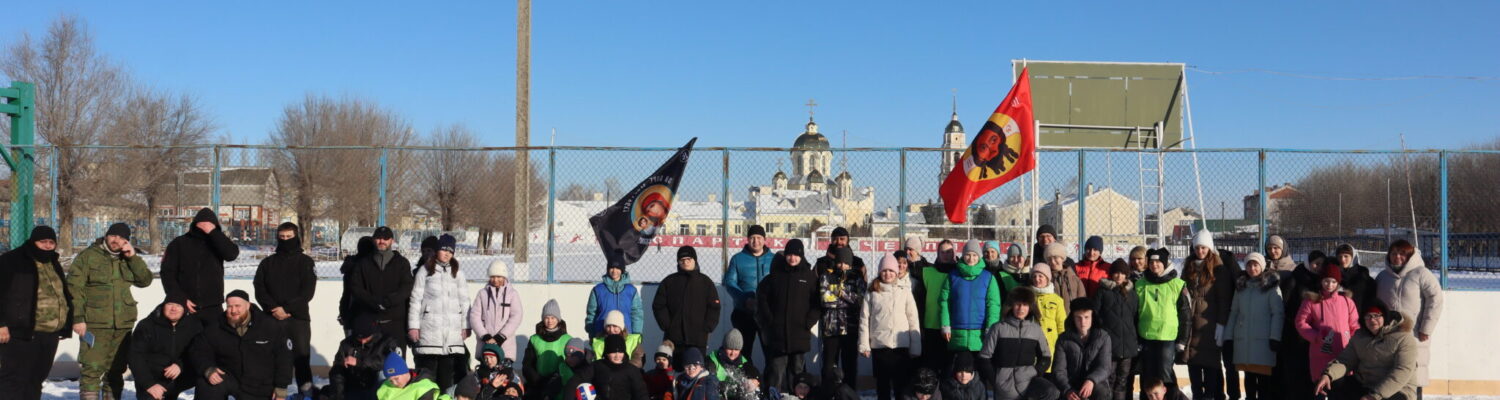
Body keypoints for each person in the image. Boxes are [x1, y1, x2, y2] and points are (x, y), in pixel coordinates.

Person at [67, 222, 153, 400]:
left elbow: (145, 281)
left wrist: (133, 257)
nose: (116, 240)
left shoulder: (127, 258)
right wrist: (77, 317)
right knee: (92, 368)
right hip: (94, 323)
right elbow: (74, 288)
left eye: (122, 238)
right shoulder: (88, 257)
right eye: (113, 236)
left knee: (116, 369)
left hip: (123, 324)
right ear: (106, 236)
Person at [0, 226, 74, 400]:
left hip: (49, 334)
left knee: (35, 380)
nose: (47, 246)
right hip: (21, 333)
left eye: (51, 242)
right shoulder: (11, 260)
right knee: (14, 380)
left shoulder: (52, 262)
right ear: (33, 242)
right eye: (43, 242)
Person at [253, 221, 319, 395]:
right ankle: (270, 394)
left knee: (301, 360)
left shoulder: (305, 262)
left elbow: (307, 292)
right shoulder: (267, 263)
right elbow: (259, 288)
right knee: (270, 359)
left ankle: (306, 394)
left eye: (289, 237)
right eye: (282, 237)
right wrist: (273, 308)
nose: (285, 240)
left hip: (298, 319)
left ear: (296, 236)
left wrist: (287, 309)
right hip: (271, 318)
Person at [192, 290, 293, 400]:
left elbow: (284, 357)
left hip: (260, 385)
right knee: (206, 383)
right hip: (230, 378)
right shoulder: (216, 326)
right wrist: (207, 369)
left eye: (237, 306)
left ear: (248, 306)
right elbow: (198, 350)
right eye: (229, 306)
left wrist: (281, 387)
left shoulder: (269, 326)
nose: (233, 310)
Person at [1374, 239, 1442, 397]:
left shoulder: (1421, 273)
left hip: (1414, 335)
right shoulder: (1382, 277)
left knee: (1413, 377)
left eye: (1402, 253)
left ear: (1410, 255)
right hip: (1388, 337)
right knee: (1389, 380)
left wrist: (1426, 328)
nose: (1397, 256)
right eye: (1393, 253)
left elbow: (1436, 300)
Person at [1314, 303, 1420, 400]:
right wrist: (1328, 375)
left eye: (1377, 315)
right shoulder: (1360, 337)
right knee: (1332, 383)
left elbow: (1403, 370)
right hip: (1366, 384)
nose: (1372, 320)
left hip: (1397, 389)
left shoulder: (1404, 338)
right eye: (1368, 316)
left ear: (1385, 317)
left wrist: (1375, 396)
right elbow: (1345, 361)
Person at [409, 234, 473, 391]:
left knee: (447, 380)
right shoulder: (424, 271)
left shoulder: (458, 274)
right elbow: (415, 300)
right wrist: (413, 326)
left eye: (450, 251)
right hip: (429, 333)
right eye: (443, 249)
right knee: (427, 379)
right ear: (437, 250)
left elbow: (465, 302)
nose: (447, 254)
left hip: (451, 336)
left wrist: (466, 325)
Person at [755, 239, 820, 392]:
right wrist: (770, 320)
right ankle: (773, 396)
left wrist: (808, 322)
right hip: (778, 335)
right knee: (776, 371)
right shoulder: (775, 276)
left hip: (799, 334)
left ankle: (796, 396)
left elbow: (817, 303)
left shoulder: (809, 277)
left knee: (797, 371)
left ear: (802, 256)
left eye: (796, 255)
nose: (792, 258)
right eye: (789, 254)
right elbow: (762, 298)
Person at [1180, 229, 1237, 400]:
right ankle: (1197, 395)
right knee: (1193, 363)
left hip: (1210, 324)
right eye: (1197, 248)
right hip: (1192, 325)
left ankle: (1211, 395)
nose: (1200, 251)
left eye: (1204, 247)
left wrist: (1221, 324)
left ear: (1210, 248)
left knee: (1211, 364)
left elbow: (1223, 298)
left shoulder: (1218, 269)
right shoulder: (1188, 267)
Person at [939, 239, 1001, 392]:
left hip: (980, 336)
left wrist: (990, 328)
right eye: (968, 255)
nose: (971, 258)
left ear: (979, 257)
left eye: (974, 255)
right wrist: (945, 325)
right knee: (955, 375)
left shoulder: (988, 277)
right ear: (963, 256)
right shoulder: (953, 276)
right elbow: (944, 301)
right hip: (956, 334)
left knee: (979, 376)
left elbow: (993, 305)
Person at [860, 254, 922, 400]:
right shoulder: (872, 292)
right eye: (884, 271)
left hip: (901, 346)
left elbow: (913, 320)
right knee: (883, 385)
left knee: (901, 384)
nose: (888, 274)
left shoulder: (905, 291)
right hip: (880, 346)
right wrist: (864, 344)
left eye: (891, 271)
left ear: (896, 272)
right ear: (880, 272)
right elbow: (864, 319)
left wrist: (915, 346)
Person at [161, 208, 241, 318]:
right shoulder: (179, 243)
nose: (205, 228)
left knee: (215, 333)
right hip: (185, 304)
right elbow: (167, 273)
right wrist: (179, 297)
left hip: (213, 305)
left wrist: (213, 233)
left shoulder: (218, 242)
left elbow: (231, 254)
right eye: (202, 225)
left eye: (209, 226)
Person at [1224, 253, 1283, 400]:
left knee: (1264, 383)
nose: (1252, 268)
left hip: (1263, 342)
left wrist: (1275, 337)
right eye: (1249, 265)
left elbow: (1278, 314)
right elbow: (1234, 313)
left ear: (1262, 266)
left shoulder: (1271, 287)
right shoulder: (1241, 287)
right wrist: (1228, 337)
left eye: (1255, 265)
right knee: (1249, 380)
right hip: (1244, 342)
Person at [979, 287, 1056, 400]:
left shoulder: (1036, 329)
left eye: (1025, 305)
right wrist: (995, 380)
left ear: (1030, 307)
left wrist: (1035, 372)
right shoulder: (998, 328)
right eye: (1017, 304)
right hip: (1004, 387)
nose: (1021, 308)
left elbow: (1046, 357)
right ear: (1011, 306)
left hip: (1029, 383)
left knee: (1052, 391)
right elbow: (984, 358)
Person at [654, 246, 722, 366]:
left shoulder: (705, 282)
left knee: (696, 371)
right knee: (675, 371)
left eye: (688, 259)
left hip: (698, 339)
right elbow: (659, 305)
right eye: (682, 260)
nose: (685, 262)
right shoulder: (669, 281)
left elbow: (714, 307)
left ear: (695, 260)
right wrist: (668, 326)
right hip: (674, 339)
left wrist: (707, 328)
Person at [349, 226, 417, 345]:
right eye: (378, 238)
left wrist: (389, 301)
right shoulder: (363, 263)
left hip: (395, 324)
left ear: (392, 241)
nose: (382, 241)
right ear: (374, 240)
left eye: (386, 238)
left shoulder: (402, 263)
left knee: (394, 362)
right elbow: (356, 287)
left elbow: (406, 287)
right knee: (369, 362)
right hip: (369, 324)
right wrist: (374, 302)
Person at [1294, 263, 1359, 388]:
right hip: (1321, 352)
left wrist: (1350, 340)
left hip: (1343, 352)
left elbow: (1354, 325)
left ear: (1338, 283)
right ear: (1321, 281)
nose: (1330, 285)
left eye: (1334, 282)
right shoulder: (1312, 301)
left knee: (1342, 391)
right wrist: (1316, 336)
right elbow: (1300, 322)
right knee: (1322, 388)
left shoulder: (1347, 301)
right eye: (1326, 281)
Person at [1275, 250, 1328, 400]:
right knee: (1296, 377)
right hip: (1295, 337)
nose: (1318, 267)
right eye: (1315, 264)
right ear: (1308, 263)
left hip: (1316, 339)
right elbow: (1284, 306)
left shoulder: (1324, 282)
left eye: (1321, 264)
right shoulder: (1296, 279)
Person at [130, 295, 203, 400]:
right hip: (153, 378)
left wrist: (180, 365)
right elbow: (135, 356)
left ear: (184, 309)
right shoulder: (147, 325)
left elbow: (198, 351)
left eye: (178, 305)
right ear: (163, 306)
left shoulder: (193, 325)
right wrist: (149, 384)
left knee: (207, 377)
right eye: (170, 304)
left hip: (180, 375)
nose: (173, 308)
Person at [1135, 248, 1190, 387]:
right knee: (1147, 375)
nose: (1154, 265)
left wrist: (1182, 340)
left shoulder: (1177, 285)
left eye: (1158, 261)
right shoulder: (1140, 284)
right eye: (1152, 262)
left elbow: (1185, 315)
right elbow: (1134, 312)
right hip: (1146, 336)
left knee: (1166, 375)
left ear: (1165, 263)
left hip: (1167, 337)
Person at [817, 245, 867, 388]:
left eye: (846, 262)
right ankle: (827, 393)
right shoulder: (827, 276)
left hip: (850, 329)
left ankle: (849, 392)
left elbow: (860, 300)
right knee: (828, 365)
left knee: (849, 364)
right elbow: (825, 300)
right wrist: (848, 299)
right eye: (840, 262)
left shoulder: (856, 278)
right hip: (831, 329)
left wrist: (839, 292)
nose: (842, 266)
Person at [725, 225, 775, 360]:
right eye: (752, 238)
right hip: (744, 313)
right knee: (744, 353)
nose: (756, 241)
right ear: (747, 239)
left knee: (771, 353)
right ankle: (744, 380)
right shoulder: (737, 259)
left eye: (759, 238)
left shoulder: (774, 259)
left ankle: (771, 381)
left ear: (764, 239)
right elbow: (729, 282)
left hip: (767, 313)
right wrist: (745, 299)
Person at [1051, 298, 1114, 400]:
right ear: (1072, 318)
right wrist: (1067, 390)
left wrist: (1091, 380)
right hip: (1070, 383)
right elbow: (1058, 370)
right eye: (1078, 318)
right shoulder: (1063, 339)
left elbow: (1104, 367)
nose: (1082, 322)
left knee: (1102, 391)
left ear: (1092, 317)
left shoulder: (1103, 337)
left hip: (1095, 383)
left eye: (1086, 317)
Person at [1093, 259, 1139, 400]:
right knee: (1109, 379)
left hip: (1128, 345)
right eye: (1116, 273)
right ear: (1111, 274)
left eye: (1122, 273)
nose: (1119, 276)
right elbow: (1095, 313)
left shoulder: (1132, 293)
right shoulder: (1103, 291)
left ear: (1127, 275)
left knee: (1122, 380)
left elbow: (1135, 316)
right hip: (1109, 345)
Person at [330, 315, 405, 400]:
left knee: (384, 373)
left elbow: (391, 363)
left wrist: (359, 362)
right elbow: (337, 368)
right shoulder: (346, 344)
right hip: (355, 386)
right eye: (359, 338)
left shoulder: (387, 341)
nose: (363, 341)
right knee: (335, 372)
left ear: (373, 333)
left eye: (366, 338)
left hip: (376, 386)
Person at [471, 260, 525, 366]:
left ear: (504, 277)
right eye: (493, 277)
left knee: (504, 377)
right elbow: (474, 316)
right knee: (485, 378)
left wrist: (501, 336)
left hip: (505, 345)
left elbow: (516, 316)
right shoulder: (482, 294)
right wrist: (484, 336)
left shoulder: (512, 294)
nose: (496, 280)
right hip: (486, 346)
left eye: (499, 277)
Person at [915, 239, 955, 372]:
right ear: (938, 253)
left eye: (949, 252)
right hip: (931, 325)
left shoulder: (959, 273)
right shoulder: (927, 272)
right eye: (943, 252)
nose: (946, 255)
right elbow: (920, 300)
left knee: (949, 367)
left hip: (953, 326)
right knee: (931, 366)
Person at [524, 300, 574, 400]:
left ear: (558, 319)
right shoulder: (535, 339)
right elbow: (527, 364)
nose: (550, 321)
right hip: (538, 384)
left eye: (553, 317)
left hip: (559, 384)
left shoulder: (567, 339)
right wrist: (537, 380)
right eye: (546, 317)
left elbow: (571, 364)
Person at [580, 335, 650, 400]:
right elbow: (576, 380)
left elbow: (641, 394)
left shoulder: (632, 370)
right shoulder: (597, 366)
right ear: (606, 353)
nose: (617, 356)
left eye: (620, 352)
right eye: (613, 352)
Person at [587, 261, 643, 340]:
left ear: (622, 270)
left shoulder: (631, 290)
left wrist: (637, 334)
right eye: (611, 268)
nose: (614, 271)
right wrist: (592, 334)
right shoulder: (598, 290)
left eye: (617, 268)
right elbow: (591, 314)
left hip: (626, 335)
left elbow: (637, 314)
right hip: (602, 335)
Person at [1030, 263, 1069, 362]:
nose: (1037, 279)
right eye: (1034, 276)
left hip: (1052, 345)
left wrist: (1063, 345)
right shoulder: (1028, 298)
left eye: (1040, 276)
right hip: (1031, 344)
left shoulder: (1057, 300)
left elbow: (1062, 324)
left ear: (1047, 278)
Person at [340, 236, 376, 333]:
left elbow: (346, 295)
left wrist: (343, 314)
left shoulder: (351, 266)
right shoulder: (374, 266)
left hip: (351, 312)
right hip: (365, 312)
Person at [377, 352, 445, 400]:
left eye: (396, 378)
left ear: (405, 372)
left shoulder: (423, 387)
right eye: (390, 381)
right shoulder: (385, 387)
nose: (394, 383)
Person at [1334, 244, 1377, 310]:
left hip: (1359, 314)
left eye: (1346, 256)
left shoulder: (1362, 274)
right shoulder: (1334, 274)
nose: (1342, 260)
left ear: (1353, 257)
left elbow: (1371, 298)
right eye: (1340, 257)